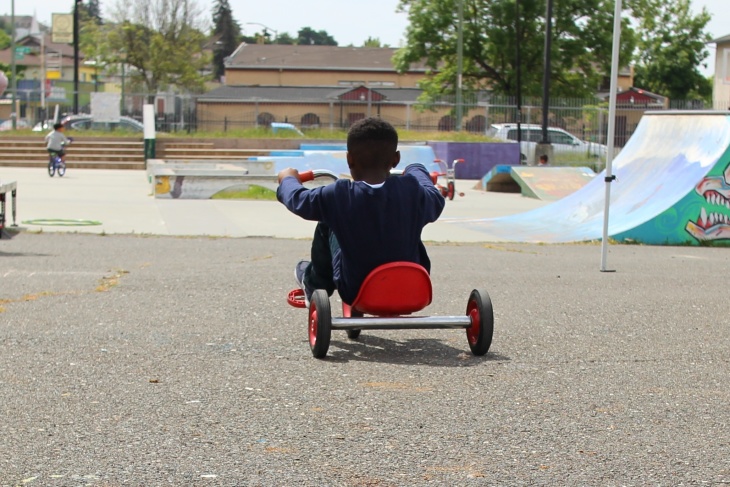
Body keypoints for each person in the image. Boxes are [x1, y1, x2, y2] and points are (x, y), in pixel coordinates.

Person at [277, 117, 446, 306]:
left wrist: (288, 179)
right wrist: (416, 169)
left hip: (355, 288)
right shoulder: (413, 191)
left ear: (349, 159)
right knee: (407, 221)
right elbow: (434, 195)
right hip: (413, 286)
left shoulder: (338, 196)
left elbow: (297, 199)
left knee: (327, 222)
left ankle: (315, 285)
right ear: (395, 159)